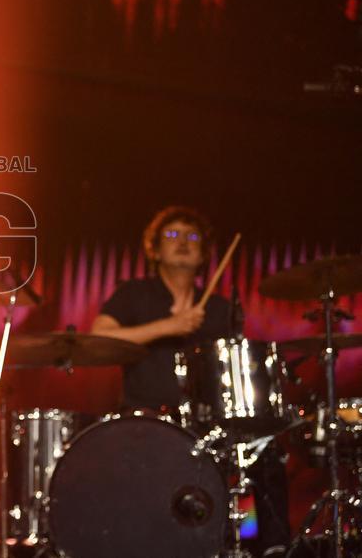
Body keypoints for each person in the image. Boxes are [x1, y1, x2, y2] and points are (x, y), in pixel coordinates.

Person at [91, 205, 289, 556]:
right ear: (154, 249)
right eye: (172, 235)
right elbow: (100, 336)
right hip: (146, 419)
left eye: (192, 236)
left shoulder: (218, 309)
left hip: (208, 424)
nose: (182, 242)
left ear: (205, 254)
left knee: (266, 450)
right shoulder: (134, 295)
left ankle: (271, 547)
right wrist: (168, 327)